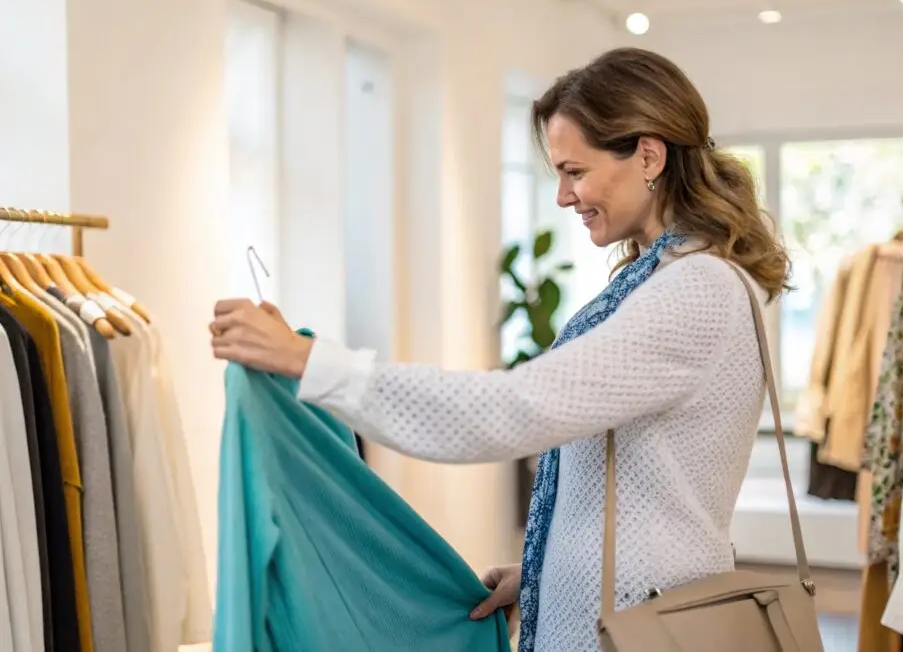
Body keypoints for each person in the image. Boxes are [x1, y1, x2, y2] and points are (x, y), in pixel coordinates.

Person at [209, 46, 791, 652]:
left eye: (575, 170)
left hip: (643, 629)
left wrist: (311, 363)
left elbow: (518, 408)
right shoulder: (662, 275)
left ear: (648, 154)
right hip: (627, 614)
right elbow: (636, 483)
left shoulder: (696, 289)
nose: (565, 196)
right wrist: (545, 578)